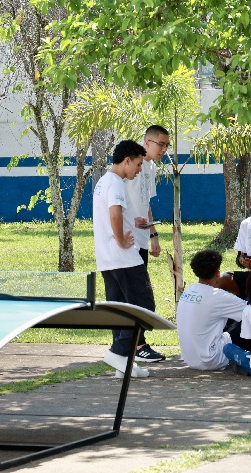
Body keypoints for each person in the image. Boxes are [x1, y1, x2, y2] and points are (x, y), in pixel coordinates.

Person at [94, 139, 152, 378]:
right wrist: (120, 239)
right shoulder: (116, 183)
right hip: (124, 258)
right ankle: (118, 352)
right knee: (145, 306)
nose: (139, 170)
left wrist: (134, 222)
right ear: (127, 160)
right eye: (138, 164)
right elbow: (114, 216)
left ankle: (123, 365)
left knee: (120, 311)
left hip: (107, 260)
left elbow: (116, 215)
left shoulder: (103, 182)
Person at [124, 125, 170, 363]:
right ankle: (137, 345)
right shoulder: (131, 163)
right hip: (126, 240)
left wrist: (153, 235)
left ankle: (129, 346)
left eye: (166, 145)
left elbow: (146, 203)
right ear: (147, 142)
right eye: (160, 144)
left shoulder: (149, 167)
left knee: (137, 294)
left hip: (141, 239)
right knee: (139, 295)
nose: (163, 149)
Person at [176, 249, 247, 370]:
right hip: (211, 359)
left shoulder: (189, 289)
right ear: (218, 273)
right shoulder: (218, 296)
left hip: (189, 359)